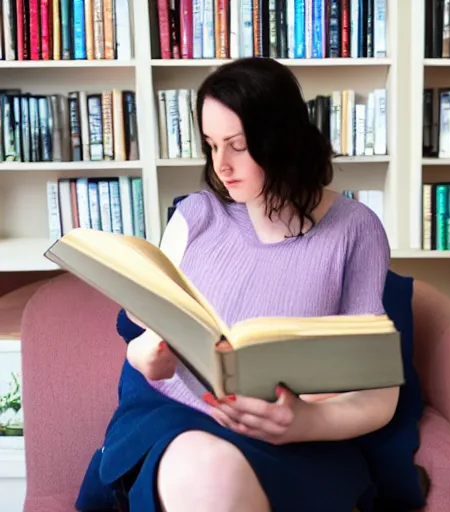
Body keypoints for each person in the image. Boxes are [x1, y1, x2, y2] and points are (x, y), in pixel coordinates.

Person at [96, 57, 399, 512]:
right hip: (173, 421)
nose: (220, 164)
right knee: (209, 472)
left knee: (223, 476)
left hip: (289, 437)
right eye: (211, 144)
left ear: (280, 140)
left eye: (237, 145)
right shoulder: (194, 217)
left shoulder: (356, 229)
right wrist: (145, 357)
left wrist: (305, 421)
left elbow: (378, 393)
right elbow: (145, 341)